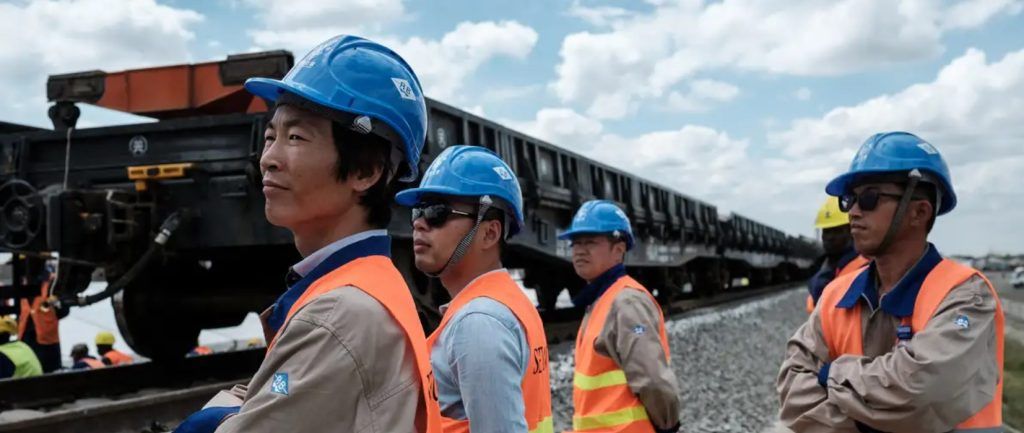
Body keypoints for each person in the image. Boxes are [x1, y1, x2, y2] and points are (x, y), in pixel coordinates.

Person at [174, 34, 440, 433]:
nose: (269, 159)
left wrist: (206, 421)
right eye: (270, 137)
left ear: (366, 172)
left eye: (296, 137)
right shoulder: (369, 285)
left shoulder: (338, 315)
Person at [778, 132, 1004, 432]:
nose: (854, 212)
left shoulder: (965, 295)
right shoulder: (835, 295)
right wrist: (878, 417)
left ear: (919, 212)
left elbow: (921, 392)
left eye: (870, 198)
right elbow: (792, 390)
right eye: (850, 199)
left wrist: (829, 374)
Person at [395, 145, 552, 433]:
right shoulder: (507, 303)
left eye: (437, 212)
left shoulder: (479, 322)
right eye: (418, 211)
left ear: (489, 233)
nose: (419, 222)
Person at [557, 200, 680, 433]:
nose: (580, 250)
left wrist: (668, 427)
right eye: (576, 242)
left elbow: (653, 381)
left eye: (591, 242)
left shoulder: (626, 302)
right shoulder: (601, 300)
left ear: (619, 250)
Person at [805, 197, 869, 312]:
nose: (829, 237)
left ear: (850, 231)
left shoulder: (864, 267)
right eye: (826, 231)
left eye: (836, 231)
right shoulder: (820, 268)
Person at [17, 264, 67, 373]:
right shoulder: (22, 286)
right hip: (25, 338)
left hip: (47, 341)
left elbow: (64, 310)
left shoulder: (52, 285)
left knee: (50, 374)